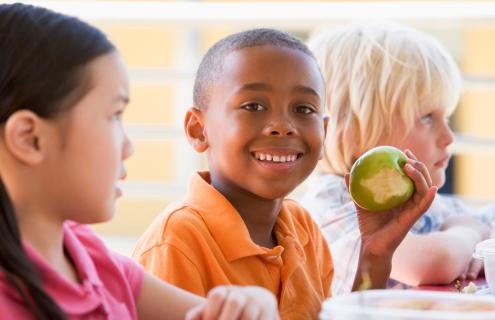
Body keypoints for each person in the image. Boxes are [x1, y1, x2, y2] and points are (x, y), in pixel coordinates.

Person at [132, 28, 436, 319]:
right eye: (253, 105)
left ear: (324, 130)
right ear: (199, 130)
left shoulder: (302, 229)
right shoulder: (177, 243)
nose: (283, 125)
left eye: (303, 109)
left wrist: (375, 253)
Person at [0, 3, 279, 320]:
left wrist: (253, 304)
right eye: (114, 115)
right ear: (29, 138)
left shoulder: (87, 255)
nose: (128, 147)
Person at [301, 22, 492, 295]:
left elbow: (486, 220)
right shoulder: (333, 205)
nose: (448, 136)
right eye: (426, 118)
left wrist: (477, 231)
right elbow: (432, 262)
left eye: (446, 117)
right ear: (356, 133)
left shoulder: (420, 198)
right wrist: (470, 233)